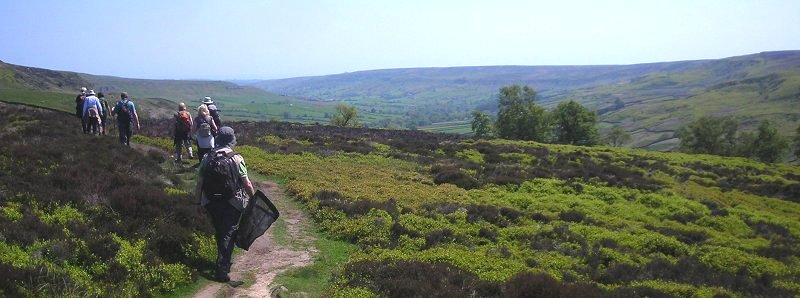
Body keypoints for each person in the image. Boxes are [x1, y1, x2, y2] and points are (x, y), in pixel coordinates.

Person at [195, 127, 255, 284]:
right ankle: (222, 269)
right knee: (228, 233)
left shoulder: (207, 157)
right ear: (231, 140)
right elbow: (246, 183)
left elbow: (200, 182)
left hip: (211, 201)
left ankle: (223, 261)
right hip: (232, 202)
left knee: (220, 232)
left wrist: (197, 202)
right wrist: (253, 199)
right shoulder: (237, 159)